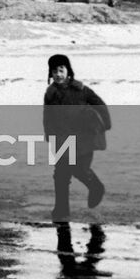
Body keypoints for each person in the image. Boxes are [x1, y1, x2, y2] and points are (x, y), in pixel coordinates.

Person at [43, 53, 109, 223]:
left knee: (80, 169)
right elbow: (47, 115)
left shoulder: (80, 89)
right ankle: (61, 209)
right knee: (61, 175)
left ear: (68, 70)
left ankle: (96, 187)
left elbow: (99, 103)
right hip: (62, 139)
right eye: (54, 71)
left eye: (61, 70)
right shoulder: (50, 93)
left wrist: (105, 124)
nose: (58, 74)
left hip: (84, 139)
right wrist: (49, 134)